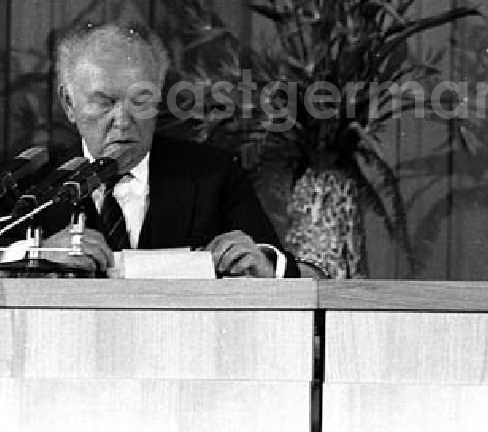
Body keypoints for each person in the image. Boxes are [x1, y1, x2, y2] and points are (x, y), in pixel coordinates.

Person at [0, 20, 298, 278]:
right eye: (104, 102)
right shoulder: (33, 183)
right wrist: (36, 254)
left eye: (139, 101)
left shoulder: (213, 175)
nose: (123, 121)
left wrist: (265, 263)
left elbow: (276, 264)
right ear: (69, 104)